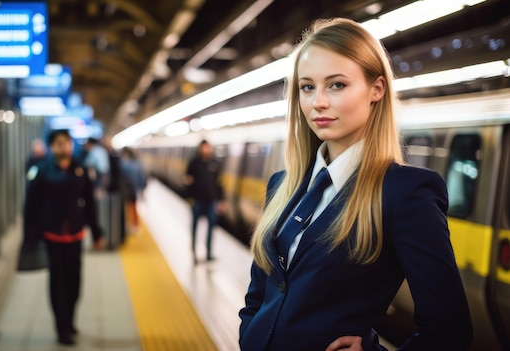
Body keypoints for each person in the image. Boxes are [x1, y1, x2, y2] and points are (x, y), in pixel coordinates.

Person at [238, 18, 472, 351]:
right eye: (307, 87)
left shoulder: (405, 192)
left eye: (336, 85)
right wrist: (249, 332)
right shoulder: (283, 186)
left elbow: (450, 329)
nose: (318, 101)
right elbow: (258, 297)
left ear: (376, 89)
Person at [24, 129, 105, 345]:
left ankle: (70, 320)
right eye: (59, 143)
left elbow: (90, 203)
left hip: (76, 234)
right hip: (51, 234)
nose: (63, 147)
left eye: (66, 143)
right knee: (57, 281)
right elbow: (30, 205)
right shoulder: (41, 170)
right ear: (52, 147)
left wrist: (97, 232)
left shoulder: (80, 170)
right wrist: (30, 236)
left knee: (75, 281)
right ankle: (62, 328)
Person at [184, 140, 225, 264]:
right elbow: (187, 182)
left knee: (211, 228)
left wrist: (221, 200)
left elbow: (219, 184)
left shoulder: (215, 164)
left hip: (211, 202)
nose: (207, 150)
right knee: (194, 228)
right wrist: (189, 198)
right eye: (204, 148)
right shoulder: (193, 163)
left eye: (208, 147)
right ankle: (194, 254)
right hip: (197, 201)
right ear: (200, 149)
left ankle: (208, 254)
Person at [119, 147, 147, 235]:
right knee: (134, 208)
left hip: (126, 190)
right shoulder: (138, 163)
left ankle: (128, 225)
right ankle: (135, 225)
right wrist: (142, 188)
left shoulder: (124, 164)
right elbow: (143, 177)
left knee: (126, 208)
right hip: (135, 189)